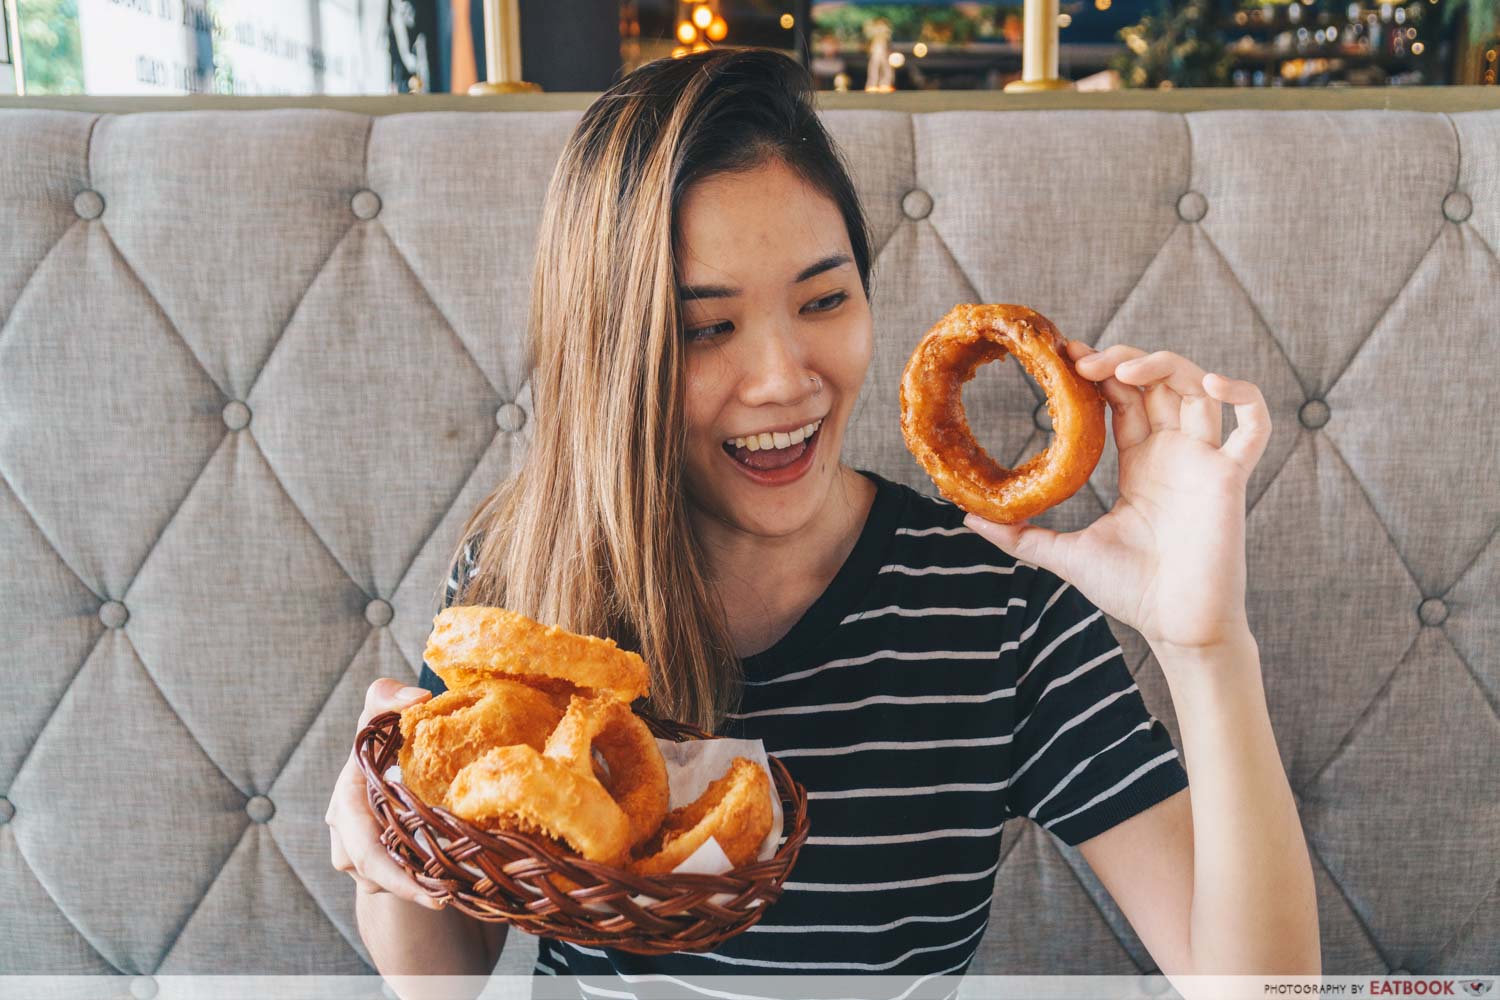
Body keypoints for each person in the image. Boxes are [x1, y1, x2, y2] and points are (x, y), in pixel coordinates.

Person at [325, 46, 1320, 996]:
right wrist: (382, 845)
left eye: (824, 299)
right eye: (706, 327)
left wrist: (1205, 644)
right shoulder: (525, 574)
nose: (784, 379)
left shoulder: (999, 609)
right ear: (612, 353)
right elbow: (439, 974)